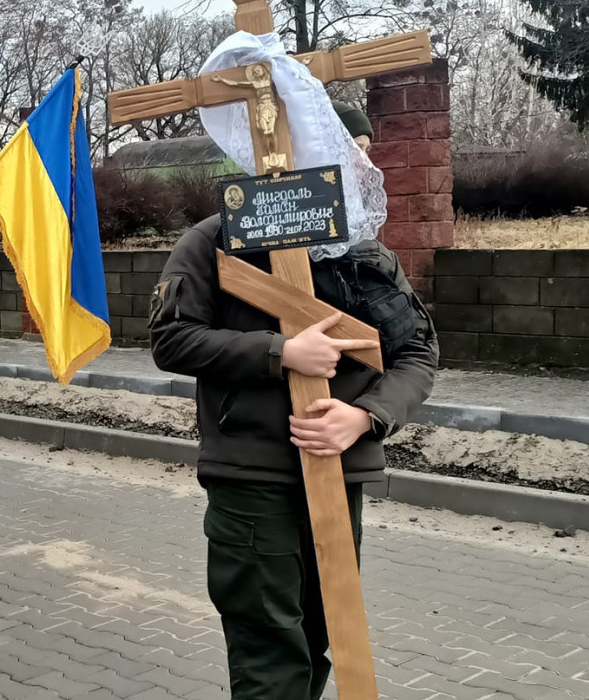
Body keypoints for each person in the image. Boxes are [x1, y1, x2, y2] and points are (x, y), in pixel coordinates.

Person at [148, 113, 438, 700]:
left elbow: (417, 351)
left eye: (365, 152)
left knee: (324, 627)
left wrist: (365, 417)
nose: (362, 167)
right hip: (252, 474)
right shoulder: (212, 241)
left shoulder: (362, 251)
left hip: (338, 467)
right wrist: (281, 352)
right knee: (268, 641)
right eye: (346, 151)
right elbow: (171, 338)